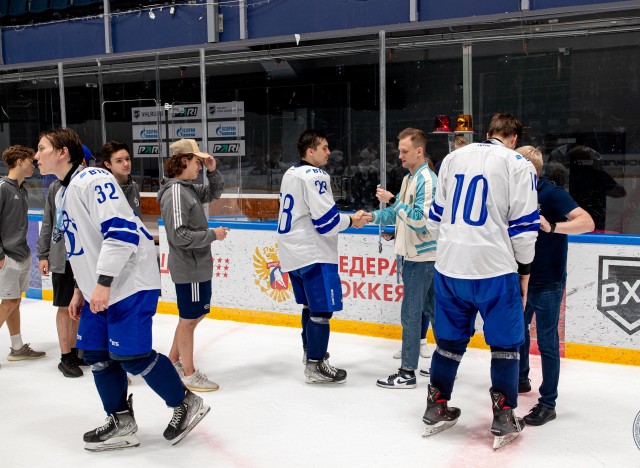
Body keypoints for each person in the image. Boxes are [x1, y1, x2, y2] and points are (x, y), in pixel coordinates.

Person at [35, 128, 209, 451]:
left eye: (42, 148)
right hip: (99, 289)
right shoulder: (62, 192)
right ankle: (121, 420)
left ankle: (185, 403)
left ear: (62, 153)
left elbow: (122, 232)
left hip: (128, 281)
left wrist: (101, 283)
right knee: (98, 354)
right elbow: (81, 248)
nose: (36, 155)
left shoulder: (94, 181)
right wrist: (80, 290)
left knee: (131, 355)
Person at [423, 113, 539, 450]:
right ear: (514, 138)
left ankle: (436, 405)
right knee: (505, 344)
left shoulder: (453, 158)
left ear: (487, 133)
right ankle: (503, 415)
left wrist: (451, 247)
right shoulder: (518, 164)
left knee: (448, 341)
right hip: (494, 268)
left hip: (449, 267)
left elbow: (435, 219)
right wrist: (524, 269)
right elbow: (524, 228)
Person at [277, 129, 367, 384]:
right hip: (313, 253)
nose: (329, 152)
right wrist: (352, 220)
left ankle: (310, 356)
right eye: (324, 148)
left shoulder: (290, 173)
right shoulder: (315, 175)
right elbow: (326, 222)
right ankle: (316, 365)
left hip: (292, 252)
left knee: (310, 307)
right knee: (322, 311)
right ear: (310, 152)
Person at [515, 146, 594, 426]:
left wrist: (552, 227)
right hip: (521, 277)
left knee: (547, 342)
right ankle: (521, 379)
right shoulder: (515, 195)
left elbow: (587, 222)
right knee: (518, 332)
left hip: (548, 280)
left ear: (529, 170)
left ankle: (548, 403)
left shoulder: (550, 193)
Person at [358, 128, 437, 389]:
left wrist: (393, 201)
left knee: (411, 314)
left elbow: (420, 221)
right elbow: (397, 215)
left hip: (422, 257)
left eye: (404, 151)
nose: (400, 156)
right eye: (399, 151)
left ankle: (407, 372)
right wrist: (373, 217)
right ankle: (445, 362)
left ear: (419, 151)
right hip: (414, 256)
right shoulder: (409, 179)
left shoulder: (427, 180)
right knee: (433, 311)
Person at [158, 138, 226, 392]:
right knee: (189, 319)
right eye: (197, 161)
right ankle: (188, 373)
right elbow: (179, 235)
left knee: (195, 314)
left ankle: (173, 360)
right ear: (184, 161)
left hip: (197, 266)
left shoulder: (186, 188)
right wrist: (212, 235)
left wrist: (212, 170)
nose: (199, 166)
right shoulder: (176, 192)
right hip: (190, 267)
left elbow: (213, 193)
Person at [37, 145, 94, 378]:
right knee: (64, 305)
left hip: (84, 256)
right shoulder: (54, 188)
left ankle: (77, 348)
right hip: (62, 257)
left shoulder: (87, 186)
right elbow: (49, 221)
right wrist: (43, 254)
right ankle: (65, 355)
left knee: (80, 305)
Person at [0, 145, 46, 365]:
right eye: (30, 161)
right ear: (19, 162)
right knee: (9, 302)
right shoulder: (2, 188)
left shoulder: (21, 189)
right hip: (6, 256)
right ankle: (17, 348)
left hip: (21, 253)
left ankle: (17, 348)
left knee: (15, 301)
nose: (33, 164)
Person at [99, 140, 141, 216]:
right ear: (108, 164)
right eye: (119, 161)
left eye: (127, 159)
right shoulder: (103, 191)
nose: (126, 164)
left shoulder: (134, 187)